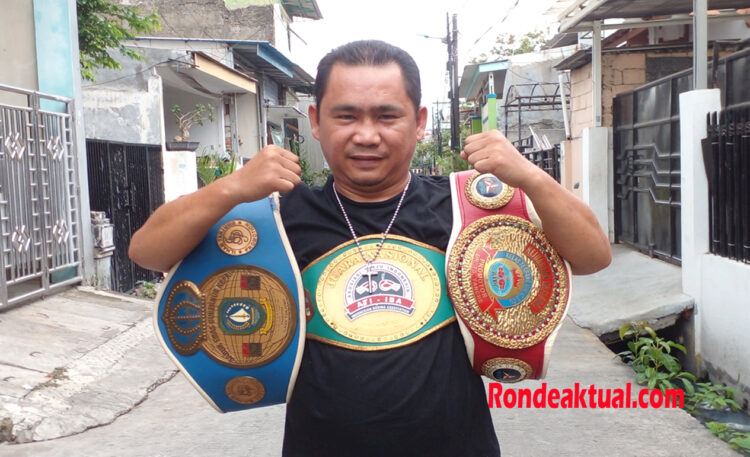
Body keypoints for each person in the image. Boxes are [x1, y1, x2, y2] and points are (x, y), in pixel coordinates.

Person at [129, 40, 611, 457]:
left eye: (387, 116)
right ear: (316, 121)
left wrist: (529, 176)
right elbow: (146, 252)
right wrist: (231, 187)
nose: (366, 134)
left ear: (419, 122)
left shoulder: (466, 209)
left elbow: (593, 256)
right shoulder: (281, 215)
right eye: (346, 115)